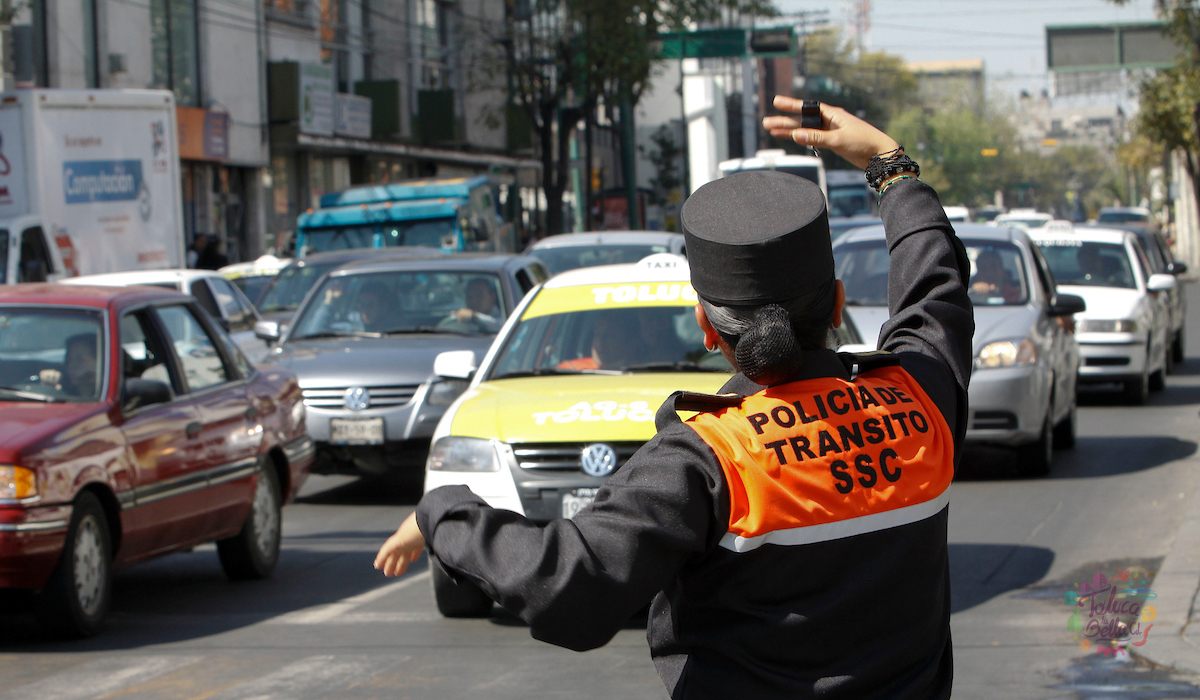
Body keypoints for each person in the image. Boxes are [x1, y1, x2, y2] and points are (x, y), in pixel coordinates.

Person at [374, 97, 972, 699]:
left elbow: (567, 587)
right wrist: (890, 169)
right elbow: (934, 291)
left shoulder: (710, 457)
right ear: (839, 304)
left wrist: (445, 512)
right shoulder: (919, 400)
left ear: (708, 329)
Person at [39, 333, 100, 399]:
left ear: (99, 361)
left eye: (79, 360)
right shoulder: (61, 388)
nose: (71, 365)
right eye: (69, 360)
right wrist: (48, 387)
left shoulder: (108, 393)